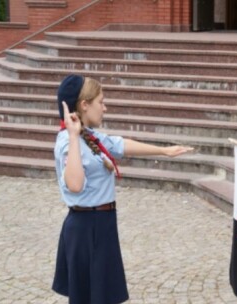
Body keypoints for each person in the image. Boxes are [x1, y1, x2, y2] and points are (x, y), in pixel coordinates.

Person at [52, 74, 193, 303]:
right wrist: (73, 135)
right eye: (101, 101)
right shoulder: (69, 143)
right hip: (86, 228)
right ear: (85, 105)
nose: (105, 108)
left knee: (105, 297)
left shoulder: (91, 137)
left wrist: (164, 151)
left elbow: (121, 144)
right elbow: (75, 185)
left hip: (102, 223)